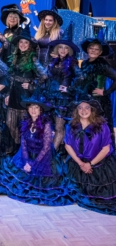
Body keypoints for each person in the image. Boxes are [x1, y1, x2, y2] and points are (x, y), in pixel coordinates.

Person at [0, 96, 74, 206]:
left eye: (36, 107)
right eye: (31, 107)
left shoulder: (46, 124)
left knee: (42, 183)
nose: (33, 110)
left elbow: (46, 148)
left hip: (44, 158)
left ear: (40, 110)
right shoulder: (25, 122)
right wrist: (26, 162)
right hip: (27, 155)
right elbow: (23, 145)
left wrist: (33, 164)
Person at [65, 99, 116, 215]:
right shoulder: (71, 125)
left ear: (92, 109)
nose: (83, 110)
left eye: (87, 107)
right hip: (77, 163)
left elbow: (106, 149)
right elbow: (68, 146)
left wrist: (90, 164)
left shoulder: (102, 126)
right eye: (80, 108)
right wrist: (80, 163)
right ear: (76, 110)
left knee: (101, 197)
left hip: (98, 164)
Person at [5, 24, 47, 154]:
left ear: (29, 45)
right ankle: (17, 146)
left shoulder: (33, 59)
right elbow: (11, 77)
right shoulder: (14, 57)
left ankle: (22, 151)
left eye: (26, 42)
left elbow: (44, 75)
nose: (23, 45)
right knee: (10, 123)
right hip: (13, 93)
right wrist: (7, 94)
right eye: (21, 42)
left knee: (24, 125)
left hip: (25, 96)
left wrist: (31, 85)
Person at [46, 22, 83, 150]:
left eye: (66, 48)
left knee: (59, 127)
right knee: (51, 126)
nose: (63, 50)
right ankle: (55, 150)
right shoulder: (54, 61)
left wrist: (70, 88)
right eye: (61, 47)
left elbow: (81, 77)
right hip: (51, 97)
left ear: (69, 50)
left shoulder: (72, 63)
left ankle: (51, 155)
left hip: (63, 99)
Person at [80, 29, 116, 139]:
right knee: (87, 128)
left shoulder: (102, 64)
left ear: (100, 52)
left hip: (99, 102)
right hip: (86, 99)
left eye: (96, 49)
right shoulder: (84, 63)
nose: (93, 51)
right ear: (87, 49)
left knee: (99, 129)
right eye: (91, 48)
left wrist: (105, 92)